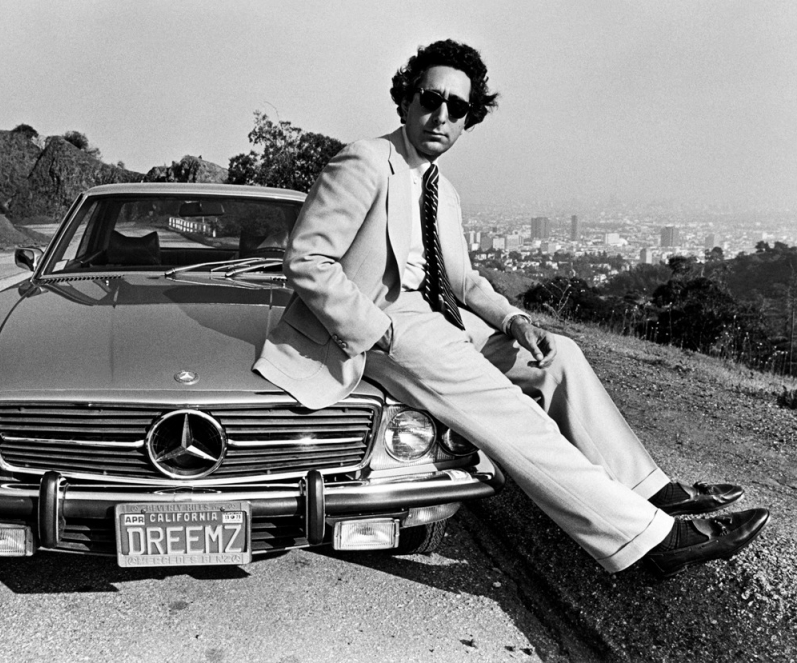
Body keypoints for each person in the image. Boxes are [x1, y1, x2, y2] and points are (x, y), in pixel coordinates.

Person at [253, 39, 769, 577]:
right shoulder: (364, 160)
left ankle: (654, 494)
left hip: (441, 321)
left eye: (459, 109)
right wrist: (374, 328)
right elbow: (308, 258)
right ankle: (647, 541)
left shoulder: (441, 190)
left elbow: (464, 281)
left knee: (559, 355)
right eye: (431, 99)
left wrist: (513, 320)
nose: (442, 116)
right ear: (405, 100)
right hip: (381, 328)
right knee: (514, 414)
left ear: (468, 120)